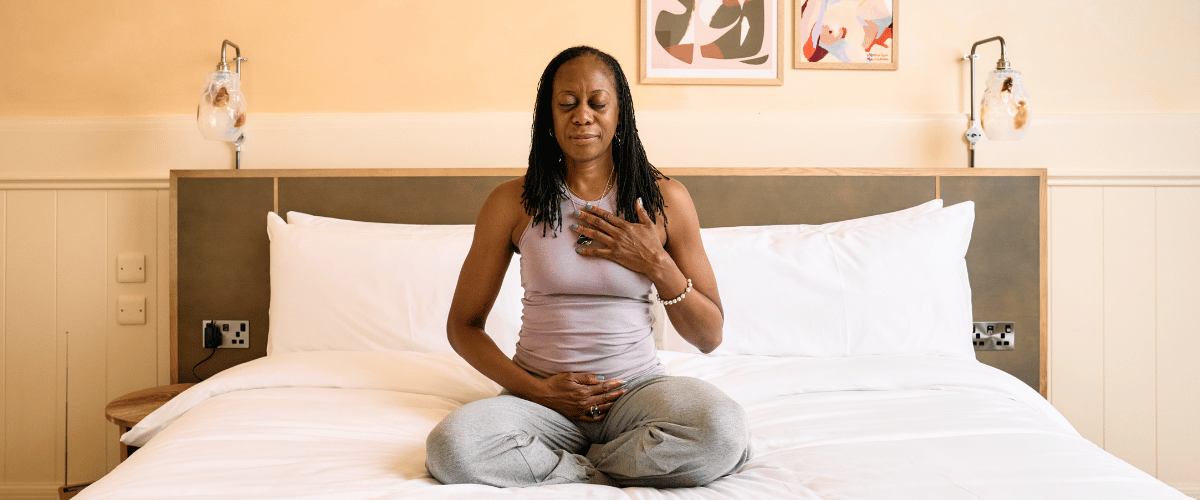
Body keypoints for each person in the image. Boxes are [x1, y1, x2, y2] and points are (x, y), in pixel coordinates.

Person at [425, 46, 751, 489]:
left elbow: (709, 336)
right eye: (567, 104)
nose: (582, 116)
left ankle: (572, 464)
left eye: (597, 103)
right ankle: (597, 468)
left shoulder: (665, 200)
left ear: (620, 114)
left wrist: (655, 262)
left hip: (636, 393)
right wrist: (536, 390)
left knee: (722, 432)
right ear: (549, 115)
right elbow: (464, 326)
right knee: (452, 447)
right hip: (539, 397)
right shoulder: (511, 202)